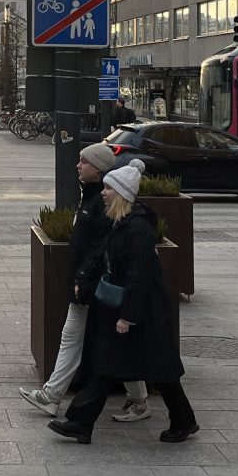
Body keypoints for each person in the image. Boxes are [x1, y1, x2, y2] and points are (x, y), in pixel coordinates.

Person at [47, 159, 197, 445]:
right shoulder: (123, 223)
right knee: (110, 366)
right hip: (134, 310)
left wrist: (128, 316)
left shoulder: (138, 229)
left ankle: (183, 421)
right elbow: (101, 253)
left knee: (159, 372)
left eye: (108, 188)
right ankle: (80, 423)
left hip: (144, 314)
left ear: (122, 193)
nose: (103, 192)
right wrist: (83, 276)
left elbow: (140, 276)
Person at [18, 144, 151, 422]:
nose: (78, 166)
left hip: (96, 286)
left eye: (84, 162)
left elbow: (103, 249)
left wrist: (83, 279)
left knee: (106, 343)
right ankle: (53, 396)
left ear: (100, 169)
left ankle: (135, 401)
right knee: (76, 339)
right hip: (88, 283)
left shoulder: (103, 204)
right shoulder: (92, 198)